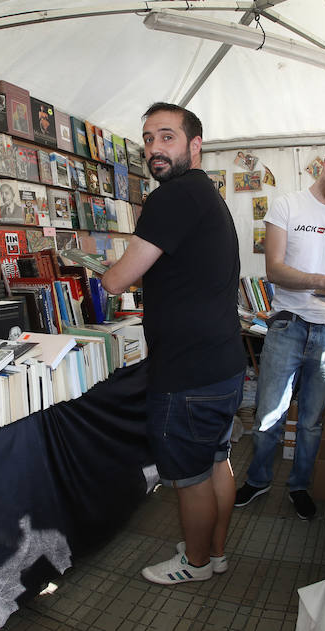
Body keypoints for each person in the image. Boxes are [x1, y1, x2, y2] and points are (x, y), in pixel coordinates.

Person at [101, 102, 245, 585]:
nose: (154, 148)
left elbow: (117, 280)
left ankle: (197, 563)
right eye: (148, 138)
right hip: (223, 363)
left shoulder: (172, 197)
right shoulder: (207, 194)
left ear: (194, 145)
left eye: (167, 137)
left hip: (188, 372)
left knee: (190, 478)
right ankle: (216, 551)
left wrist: (103, 272)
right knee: (216, 460)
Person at [234, 142, 325, 520]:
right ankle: (258, 479)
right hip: (289, 324)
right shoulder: (287, 205)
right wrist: (322, 279)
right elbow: (275, 271)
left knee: (311, 420)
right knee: (268, 416)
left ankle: (299, 487)